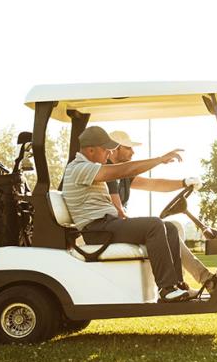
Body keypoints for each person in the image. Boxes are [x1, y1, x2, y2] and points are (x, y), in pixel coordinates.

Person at [61, 125, 198, 302]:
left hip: (106, 225)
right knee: (154, 225)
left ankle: (177, 286)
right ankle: (166, 289)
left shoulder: (89, 167)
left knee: (169, 228)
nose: (108, 154)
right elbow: (124, 170)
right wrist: (159, 159)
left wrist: (183, 182)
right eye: (105, 150)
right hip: (97, 230)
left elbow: (147, 182)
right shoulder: (80, 168)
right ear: (90, 150)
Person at [106, 130, 217, 295]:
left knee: (172, 228)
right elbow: (118, 211)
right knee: (158, 227)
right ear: (115, 148)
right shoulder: (107, 172)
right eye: (128, 148)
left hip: (120, 226)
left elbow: (155, 184)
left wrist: (183, 182)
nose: (133, 152)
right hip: (112, 227)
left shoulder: (123, 175)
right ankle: (206, 280)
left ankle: (181, 285)